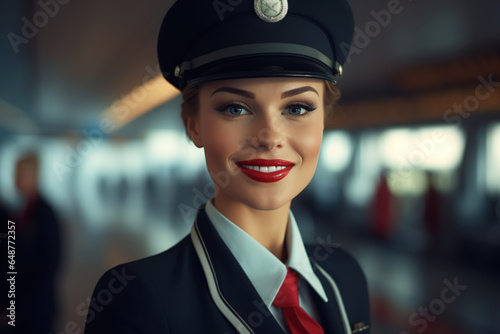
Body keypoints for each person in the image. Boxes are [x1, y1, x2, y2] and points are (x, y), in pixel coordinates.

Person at [85, 0, 370, 333]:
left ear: (324, 121)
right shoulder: (139, 301)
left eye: (296, 108)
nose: (268, 137)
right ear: (194, 125)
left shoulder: (345, 275)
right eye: (236, 108)